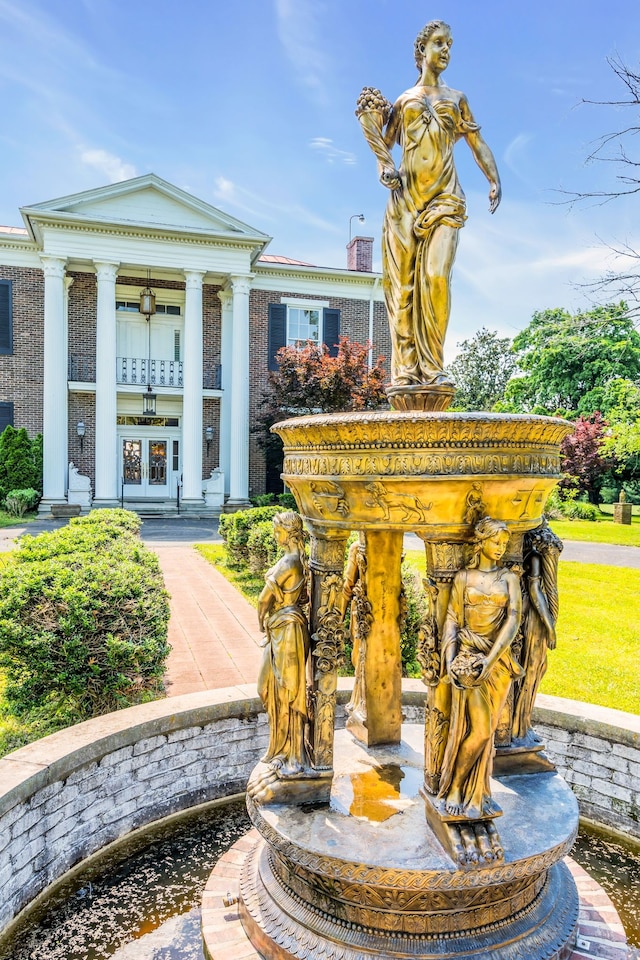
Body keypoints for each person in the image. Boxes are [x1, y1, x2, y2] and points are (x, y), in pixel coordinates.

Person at [358, 21, 501, 386]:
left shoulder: (457, 99)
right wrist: (384, 169)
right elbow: (384, 150)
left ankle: (434, 367)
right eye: (439, 43)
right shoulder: (404, 100)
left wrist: (493, 178)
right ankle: (406, 370)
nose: (447, 49)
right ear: (422, 50)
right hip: (405, 200)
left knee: (437, 278)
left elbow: (477, 144)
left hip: (445, 198)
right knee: (402, 287)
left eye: (450, 43)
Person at [437, 518, 523, 819]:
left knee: (486, 732)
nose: (500, 548)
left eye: (504, 543)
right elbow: (452, 619)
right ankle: (457, 787)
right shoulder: (464, 578)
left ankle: (478, 791)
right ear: (481, 541)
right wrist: (451, 662)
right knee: (481, 730)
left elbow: (513, 620)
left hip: (496, 663)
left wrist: (492, 659)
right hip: (470, 660)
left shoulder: (510, 578)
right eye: (495, 542)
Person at [257, 511, 311, 776]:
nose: (274, 534)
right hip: (286, 626)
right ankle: (282, 748)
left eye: (277, 530)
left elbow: (262, 599)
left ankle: (291, 753)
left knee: (285, 691)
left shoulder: (289, 562)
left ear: (288, 533)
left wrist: (261, 626)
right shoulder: (297, 559)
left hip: (286, 629)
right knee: (271, 688)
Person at [512, 524, 562, 743]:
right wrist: (550, 628)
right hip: (535, 619)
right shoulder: (533, 557)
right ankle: (519, 727)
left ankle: (523, 723)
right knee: (531, 670)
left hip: (539, 617)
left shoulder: (537, 554)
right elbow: (535, 591)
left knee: (538, 668)